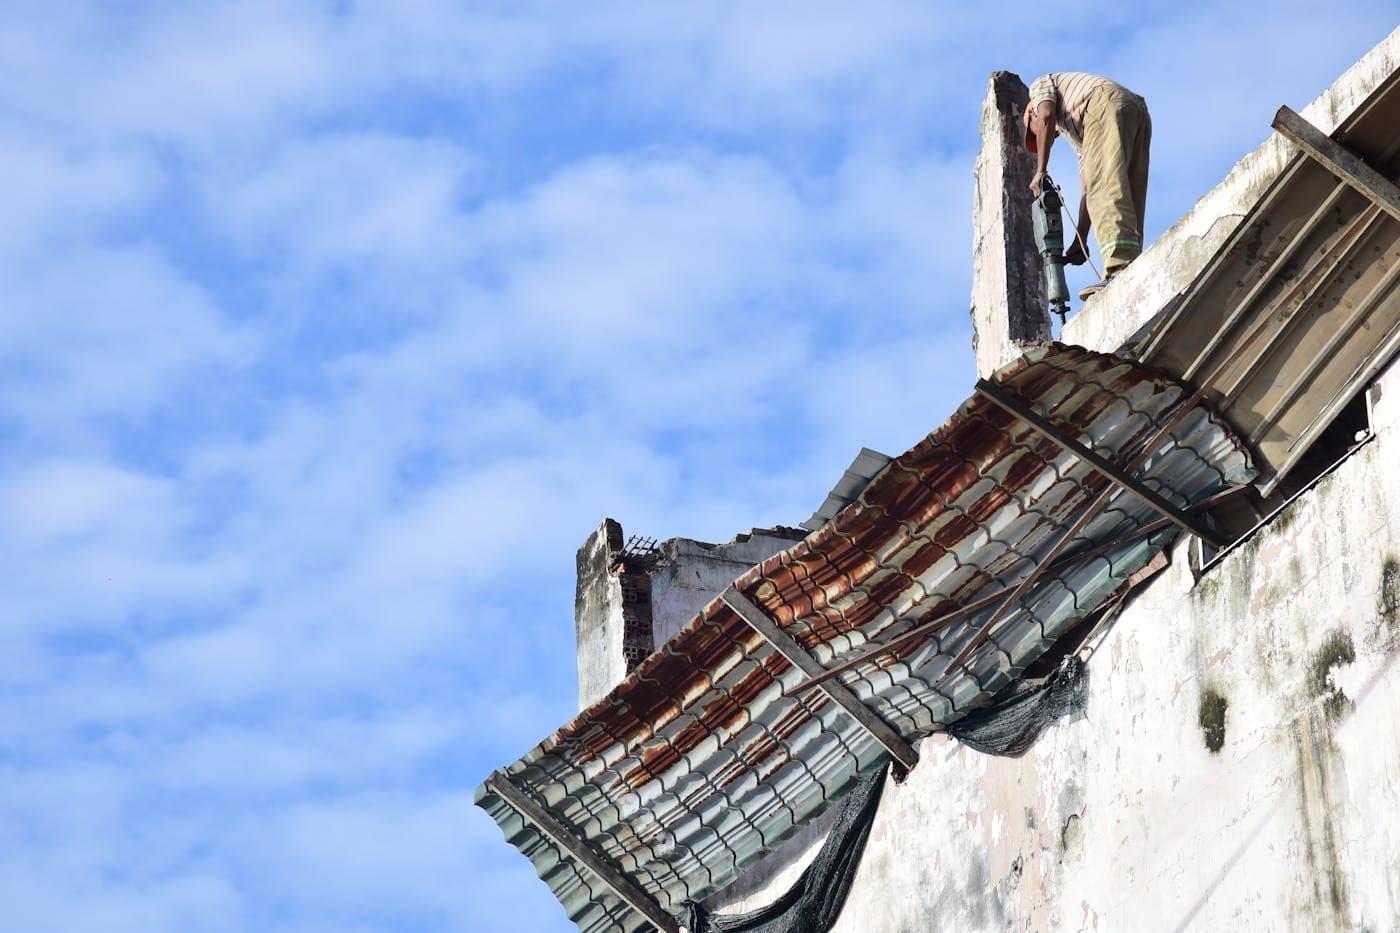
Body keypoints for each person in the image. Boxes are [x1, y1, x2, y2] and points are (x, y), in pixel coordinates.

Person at [1024, 73, 1151, 299]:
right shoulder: (1079, 134)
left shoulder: (1039, 87)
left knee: (1107, 189)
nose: (1048, 136)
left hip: (1103, 102)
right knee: (1128, 192)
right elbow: (1088, 190)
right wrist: (1080, 240)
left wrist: (1041, 170)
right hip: (1134, 109)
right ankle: (1133, 267)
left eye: (1035, 132)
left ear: (1031, 113)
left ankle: (1119, 267)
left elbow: (1046, 115)